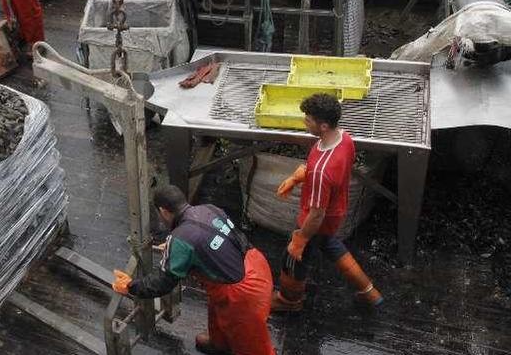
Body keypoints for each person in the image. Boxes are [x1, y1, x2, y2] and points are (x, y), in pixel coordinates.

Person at [112, 185, 275, 355]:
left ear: (163, 211)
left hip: (243, 293)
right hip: (254, 264)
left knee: (253, 346)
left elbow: (163, 283)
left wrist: (131, 287)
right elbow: (216, 240)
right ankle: (219, 344)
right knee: (218, 310)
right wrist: (176, 249)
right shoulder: (209, 209)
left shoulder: (181, 238)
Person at [271, 93, 384, 312]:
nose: (305, 121)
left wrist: (300, 239)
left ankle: (289, 301)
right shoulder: (345, 139)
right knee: (329, 245)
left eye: (309, 119)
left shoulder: (322, 172)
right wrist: (298, 177)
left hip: (317, 219)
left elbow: (316, 214)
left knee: (293, 258)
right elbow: (333, 173)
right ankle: (371, 293)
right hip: (336, 210)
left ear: (323, 125)